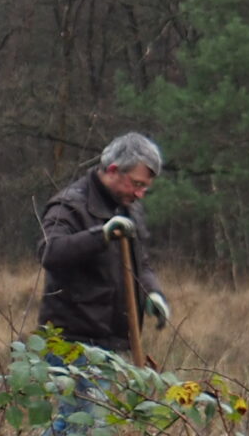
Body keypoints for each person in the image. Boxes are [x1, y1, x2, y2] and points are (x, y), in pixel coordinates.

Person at [38, 131, 172, 354]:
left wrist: (152, 293)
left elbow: (141, 263)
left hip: (114, 347)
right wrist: (102, 235)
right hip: (68, 348)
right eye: (136, 184)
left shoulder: (130, 209)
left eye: (145, 187)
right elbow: (49, 252)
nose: (140, 194)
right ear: (112, 171)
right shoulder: (70, 205)